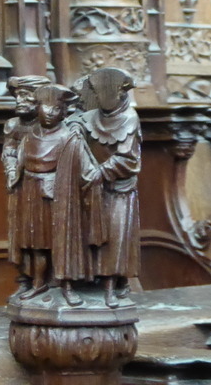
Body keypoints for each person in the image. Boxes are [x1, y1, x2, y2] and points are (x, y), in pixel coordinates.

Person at [74, 68, 141, 307]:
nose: (94, 97)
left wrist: (100, 172)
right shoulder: (90, 117)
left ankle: (112, 285)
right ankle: (89, 280)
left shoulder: (130, 119)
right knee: (92, 237)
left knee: (115, 237)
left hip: (118, 190)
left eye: (97, 91)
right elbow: (75, 133)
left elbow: (128, 159)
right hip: (91, 188)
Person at [14, 84, 79, 303]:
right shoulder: (30, 134)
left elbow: (77, 169)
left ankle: (67, 286)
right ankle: (38, 283)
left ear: (63, 112)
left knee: (61, 242)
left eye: (56, 110)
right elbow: (20, 162)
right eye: (45, 108)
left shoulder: (67, 137)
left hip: (56, 194)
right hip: (31, 192)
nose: (50, 114)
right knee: (36, 243)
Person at [2, 75, 51, 294]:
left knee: (42, 236)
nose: (19, 101)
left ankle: (46, 280)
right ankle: (24, 279)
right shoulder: (14, 125)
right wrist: (12, 169)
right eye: (17, 96)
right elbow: (9, 150)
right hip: (21, 187)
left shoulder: (49, 125)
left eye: (26, 96)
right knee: (21, 236)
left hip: (43, 188)